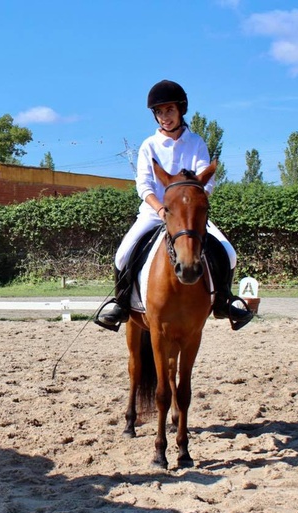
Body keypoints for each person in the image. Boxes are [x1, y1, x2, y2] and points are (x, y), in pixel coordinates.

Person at [96, 79, 253, 331]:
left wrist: (194, 202)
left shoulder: (196, 143)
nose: (164, 117)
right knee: (123, 253)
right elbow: (144, 186)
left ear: (181, 110)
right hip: (155, 213)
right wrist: (160, 208)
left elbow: (206, 180)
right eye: (159, 112)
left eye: (169, 110)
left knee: (229, 253)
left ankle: (224, 301)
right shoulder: (149, 146)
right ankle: (121, 304)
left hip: (188, 216)